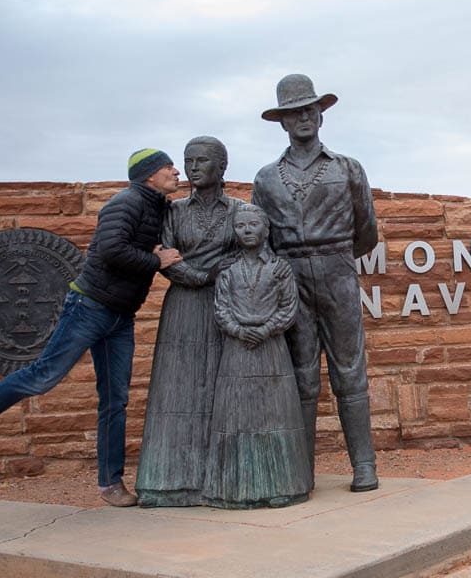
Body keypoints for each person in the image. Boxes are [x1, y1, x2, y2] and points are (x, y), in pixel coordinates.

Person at [0, 148, 183, 507]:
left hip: (120, 317)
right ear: (148, 175)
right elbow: (111, 250)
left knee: (115, 399)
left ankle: (110, 484)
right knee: (44, 375)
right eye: (167, 167)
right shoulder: (125, 203)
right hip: (89, 307)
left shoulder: (157, 206)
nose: (176, 171)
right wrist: (154, 260)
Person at [252, 74, 380, 492]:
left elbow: (367, 232)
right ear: (283, 122)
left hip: (338, 271)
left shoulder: (347, 168)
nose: (304, 117)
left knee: (350, 371)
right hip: (290, 277)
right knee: (301, 375)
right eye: (294, 112)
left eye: (310, 109)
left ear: (320, 115)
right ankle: (300, 471)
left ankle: (364, 465)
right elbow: (260, 236)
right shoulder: (266, 178)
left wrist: (332, 256)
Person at [135, 136, 246, 507]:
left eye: (201, 160)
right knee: (178, 389)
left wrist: (215, 275)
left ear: (221, 167)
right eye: (188, 161)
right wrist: (199, 277)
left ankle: (224, 480)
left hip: (225, 305)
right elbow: (164, 255)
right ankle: (171, 482)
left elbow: (246, 254)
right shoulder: (174, 211)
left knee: (222, 389)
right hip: (183, 305)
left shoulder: (240, 211)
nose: (193, 167)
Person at [203, 203, 312, 508]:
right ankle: (236, 488)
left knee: (274, 415)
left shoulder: (280, 269)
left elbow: (289, 308)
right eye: (240, 226)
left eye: (253, 224)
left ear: (266, 229)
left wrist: (266, 330)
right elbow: (221, 309)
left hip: (272, 350)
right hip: (237, 351)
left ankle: (282, 485)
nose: (247, 230)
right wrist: (239, 331)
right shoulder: (229, 271)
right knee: (236, 415)